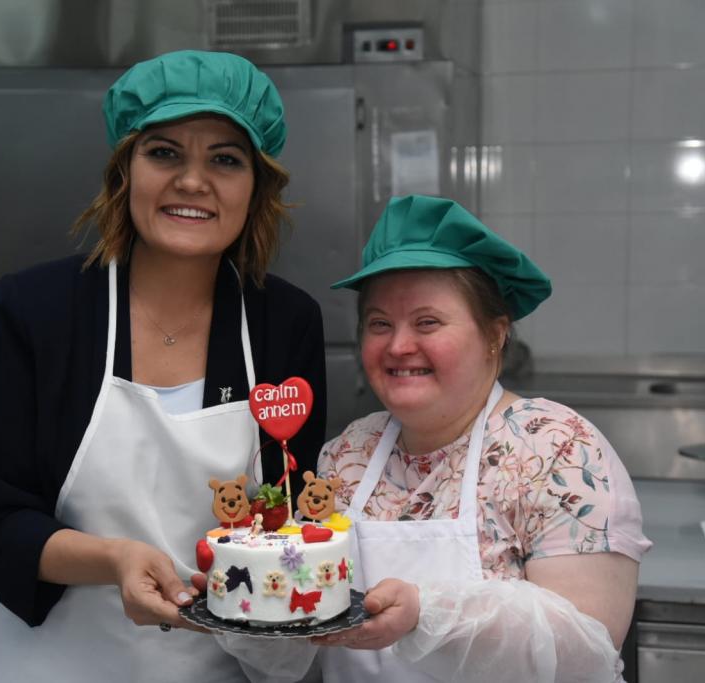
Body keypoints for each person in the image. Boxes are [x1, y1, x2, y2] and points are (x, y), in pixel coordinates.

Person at [0, 50, 327, 682]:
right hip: (47, 664)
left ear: (256, 188)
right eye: (164, 153)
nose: (192, 181)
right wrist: (114, 560)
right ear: (124, 172)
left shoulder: (284, 322)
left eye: (225, 160)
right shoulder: (36, 310)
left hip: (218, 666)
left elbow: (289, 510)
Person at [214, 195, 651, 683]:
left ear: (495, 334)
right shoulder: (349, 453)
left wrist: (428, 614)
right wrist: (249, 609)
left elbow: (585, 654)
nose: (399, 346)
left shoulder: (557, 450)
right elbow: (307, 650)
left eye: (427, 322)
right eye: (380, 324)